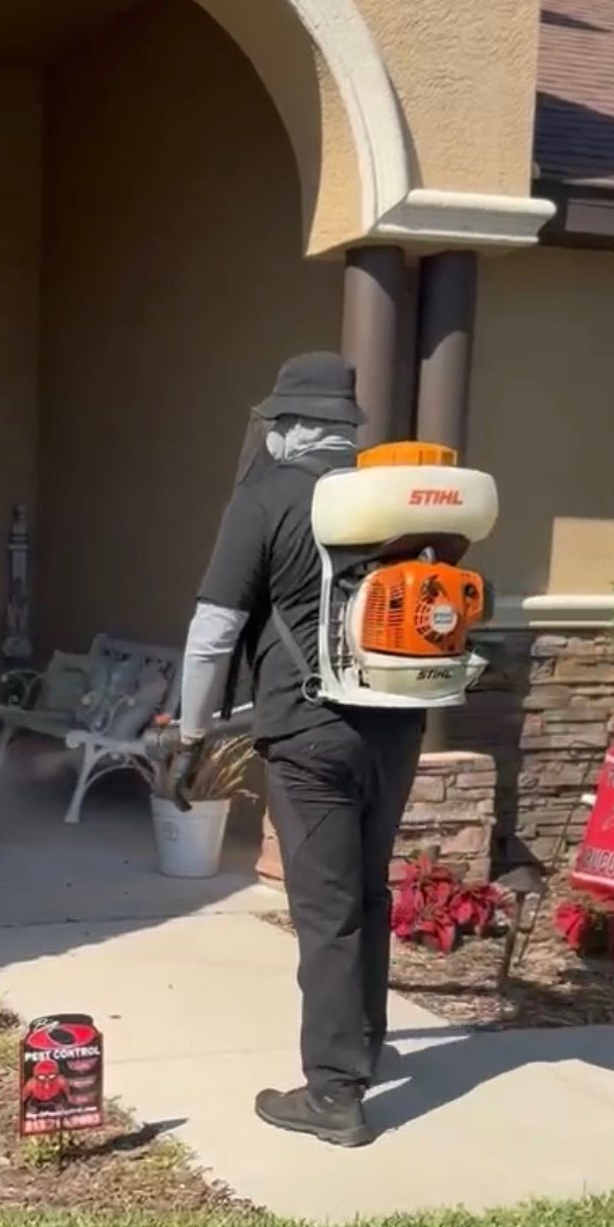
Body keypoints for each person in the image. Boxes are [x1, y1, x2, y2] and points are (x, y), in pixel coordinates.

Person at [173, 351, 425, 1150]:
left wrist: (190, 735)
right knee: (369, 895)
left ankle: (334, 1096)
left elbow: (213, 632)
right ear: (345, 430)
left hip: (309, 733)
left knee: (326, 914)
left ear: (286, 427)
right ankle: (365, 1049)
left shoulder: (265, 497)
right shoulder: (394, 501)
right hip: (395, 725)